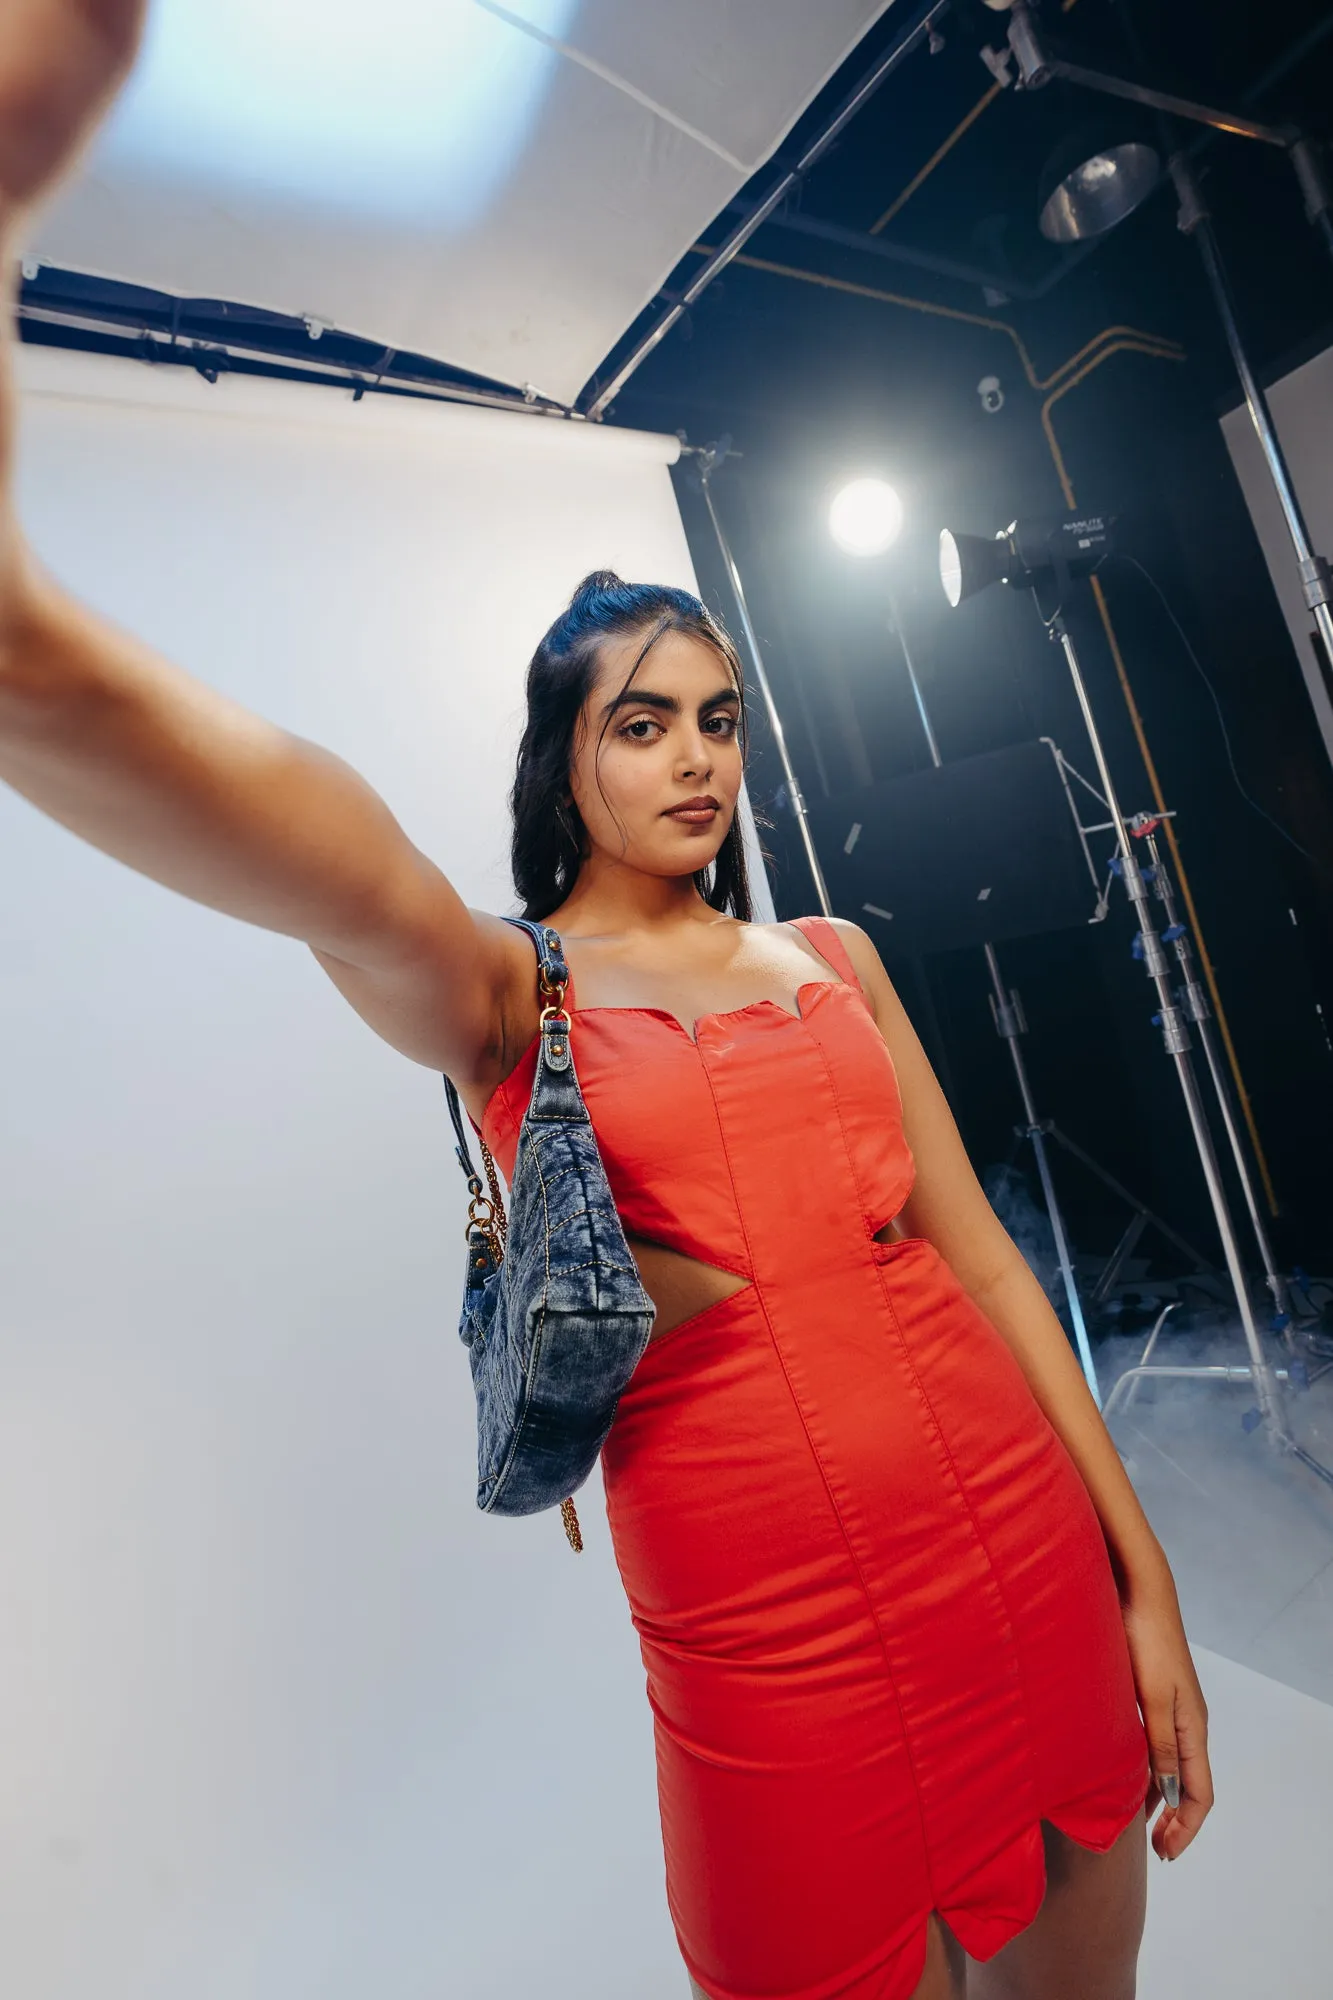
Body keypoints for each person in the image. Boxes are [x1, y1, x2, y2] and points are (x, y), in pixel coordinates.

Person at [0, 9, 1212, 2000]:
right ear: (569, 758)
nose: (697, 758)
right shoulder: (505, 992)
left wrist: (1144, 1582)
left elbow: (996, 1273)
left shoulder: (837, 957)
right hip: (772, 1667)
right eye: (643, 722)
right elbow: (323, 847)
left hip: (1020, 1567)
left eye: (721, 720)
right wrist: (26, 644)